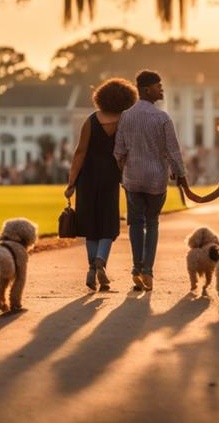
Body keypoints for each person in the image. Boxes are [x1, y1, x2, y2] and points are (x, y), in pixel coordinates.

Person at [114, 70, 187, 291]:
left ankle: (137, 268)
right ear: (147, 89)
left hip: (133, 179)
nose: (161, 89)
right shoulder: (162, 118)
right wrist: (180, 175)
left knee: (135, 224)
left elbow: (119, 151)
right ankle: (148, 272)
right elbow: (173, 151)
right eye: (158, 86)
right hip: (156, 180)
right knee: (152, 223)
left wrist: (123, 172)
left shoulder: (126, 116)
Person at [66, 78, 138, 291]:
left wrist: (71, 182)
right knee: (108, 223)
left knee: (90, 225)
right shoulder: (126, 122)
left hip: (87, 178)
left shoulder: (91, 120)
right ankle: (100, 261)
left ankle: (91, 269)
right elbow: (126, 155)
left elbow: (80, 152)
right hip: (110, 177)